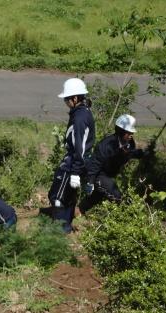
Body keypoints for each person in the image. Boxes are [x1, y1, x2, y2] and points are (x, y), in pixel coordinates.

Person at [48, 78, 95, 233]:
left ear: (75, 98)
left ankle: (59, 230)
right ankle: (65, 227)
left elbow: (79, 147)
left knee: (57, 196)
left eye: (67, 99)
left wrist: (75, 171)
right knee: (68, 195)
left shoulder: (80, 117)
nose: (66, 102)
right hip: (79, 161)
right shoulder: (83, 111)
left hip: (74, 162)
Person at [79, 114, 146, 213]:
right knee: (117, 196)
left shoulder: (130, 143)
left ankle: (76, 212)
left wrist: (142, 154)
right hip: (99, 174)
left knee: (95, 198)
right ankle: (124, 217)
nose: (131, 134)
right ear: (121, 131)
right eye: (129, 132)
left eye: (132, 132)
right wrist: (90, 182)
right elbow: (95, 163)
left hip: (109, 175)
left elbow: (129, 153)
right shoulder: (106, 145)